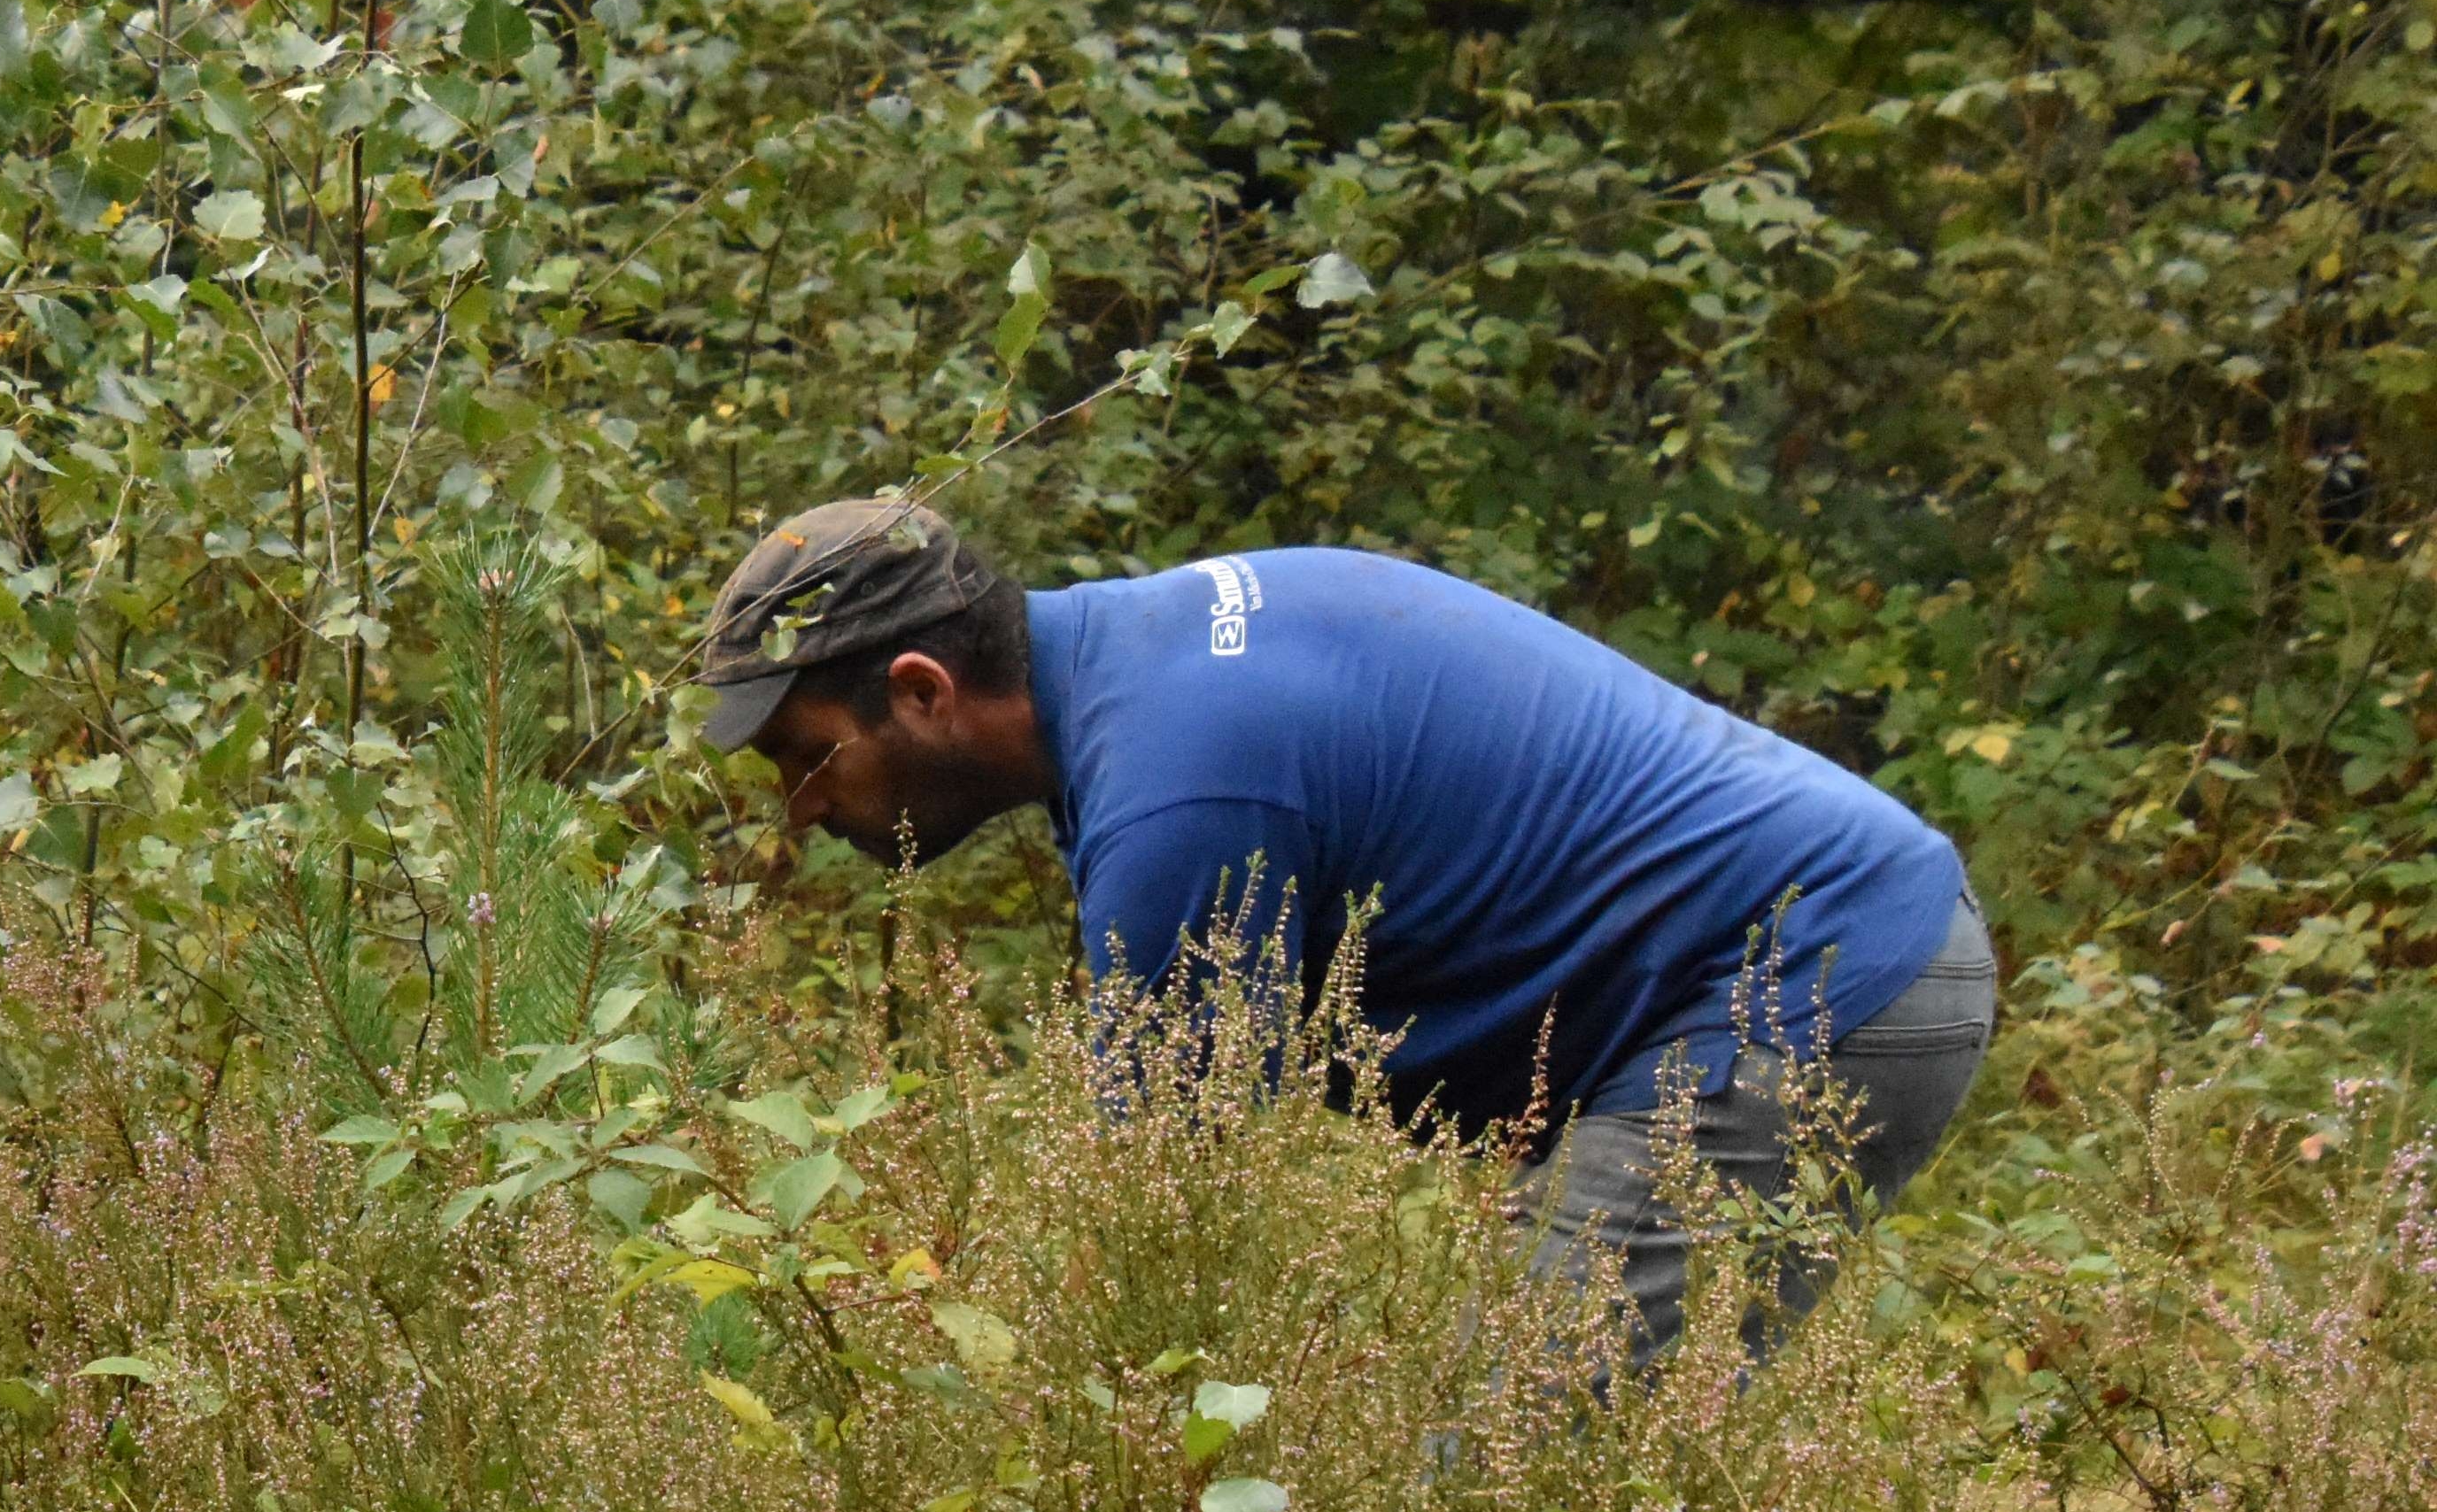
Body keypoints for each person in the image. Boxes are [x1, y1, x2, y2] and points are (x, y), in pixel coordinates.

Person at [701, 500, 1992, 1367]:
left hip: (1807, 977)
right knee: (1551, 1448)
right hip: (1815, 946)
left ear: (923, 691)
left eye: (808, 758)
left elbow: (1155, 1236)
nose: (800, 811)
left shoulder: (1179, 797)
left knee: (1485, 1488)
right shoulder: (1145, 657)